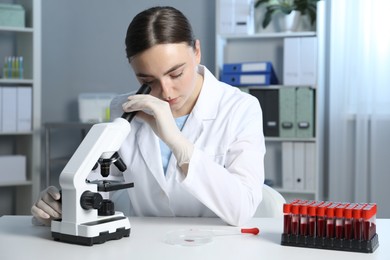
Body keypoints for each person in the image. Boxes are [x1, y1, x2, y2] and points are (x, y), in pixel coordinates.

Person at [31, 6, 265, 227]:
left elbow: (242, 209)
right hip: (145, 246)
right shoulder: (125, 109)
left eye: (176, 73)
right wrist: (63, 204)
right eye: (147, 81)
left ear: (196, 51)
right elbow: (98, 183)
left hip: (215, 246)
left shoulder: (240, 108)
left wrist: (177, 142)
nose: (165, 91)